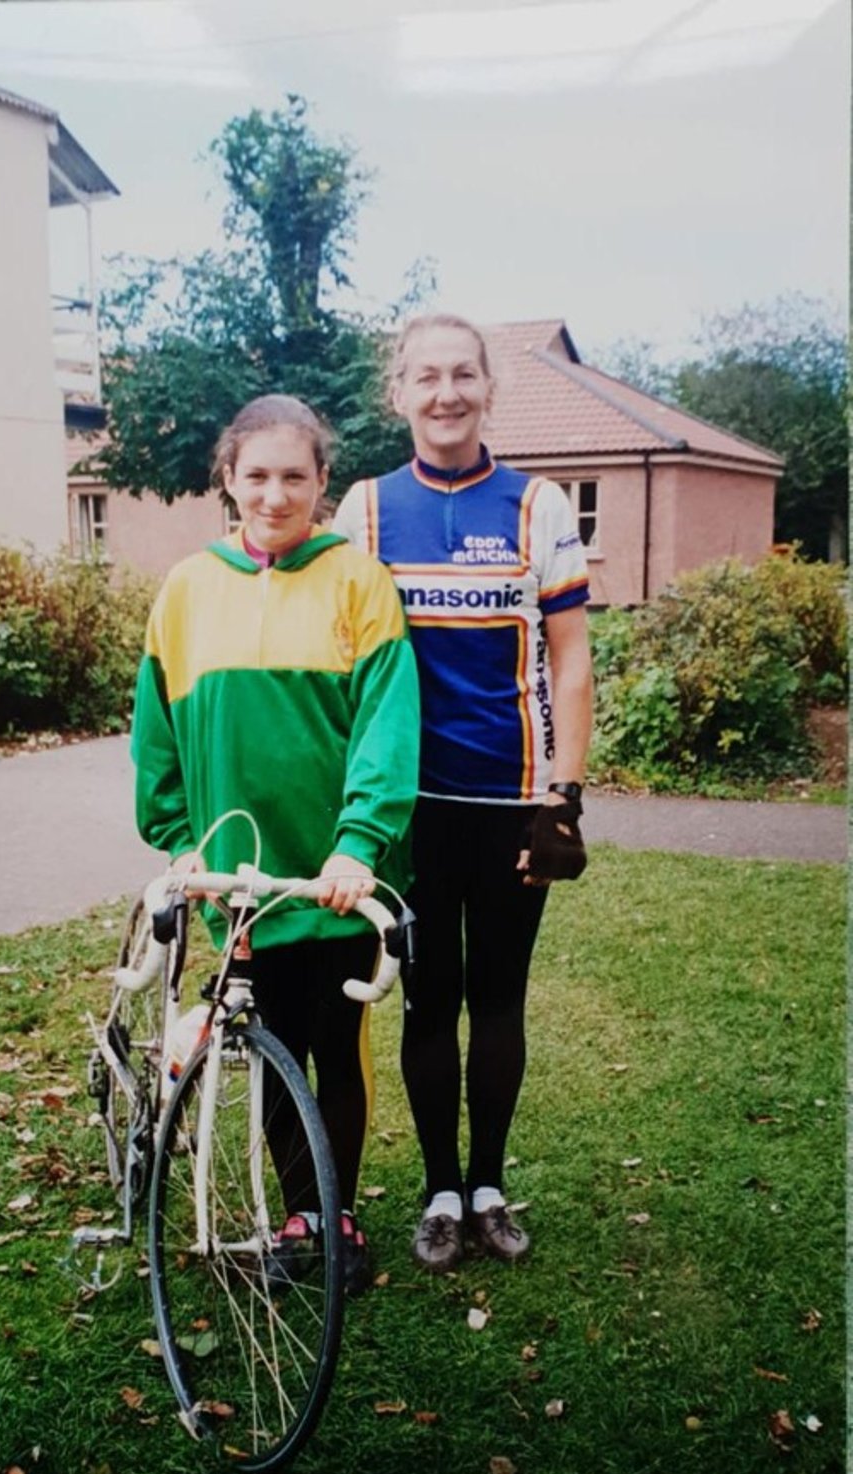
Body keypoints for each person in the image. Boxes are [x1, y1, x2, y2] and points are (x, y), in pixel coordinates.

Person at [130, 393, 420, 1295]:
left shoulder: (358, 583)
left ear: (323, 482)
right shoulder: (186, 589)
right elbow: (158, 732)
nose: (275, 493)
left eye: (295, 475)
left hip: (334, 878)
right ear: (228, 479)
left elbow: (385, 725)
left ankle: (331, 1210)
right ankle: (296, 1207)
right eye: (256, 474)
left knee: (336, 1040)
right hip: (238, 879)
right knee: (268, 1041)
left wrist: (359, 844)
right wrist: (181, 840)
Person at [334, 314, 593, 1274]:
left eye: (464, 376)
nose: (446, 394)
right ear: (397, 392)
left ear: (490, 388)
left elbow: (571, 661)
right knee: (427, 1000)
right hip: (407, 808)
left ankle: (487, 1185)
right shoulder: (362, 510)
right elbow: (334, 658)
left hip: (512, 799)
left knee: (500, 997)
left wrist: (562, 796)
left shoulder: (539, 507)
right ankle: (439, 1191)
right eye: (426, 377)